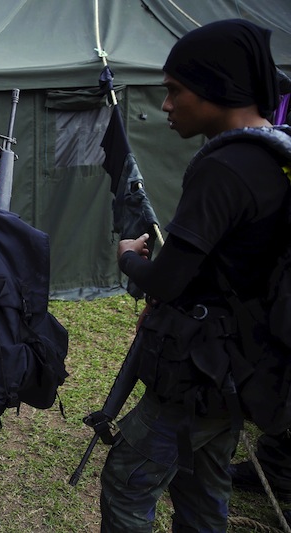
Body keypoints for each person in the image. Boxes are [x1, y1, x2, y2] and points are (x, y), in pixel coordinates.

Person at [99, 20, 285, 531]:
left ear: (216, 89)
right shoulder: (276, 153)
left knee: (128, 478)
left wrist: (126, 257)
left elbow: (166, 281)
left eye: (175, 91)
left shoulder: (224, 169)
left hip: (199, 370)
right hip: (242, 365)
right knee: (202, 480)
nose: (166, 106)